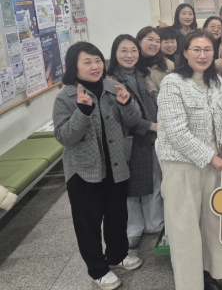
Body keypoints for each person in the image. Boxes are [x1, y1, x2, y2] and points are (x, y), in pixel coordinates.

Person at [53, 42, 143, 290]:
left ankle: (117, 255)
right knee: (88, 223)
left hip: (115, 164)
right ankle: (98, 270)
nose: (95, 67)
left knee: (117, 215)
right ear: (74, 67)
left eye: (98, 61)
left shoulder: (113, 88)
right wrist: (82, 112)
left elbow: (134, 121)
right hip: (83, 171)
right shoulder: (66, 97)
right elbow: (64, 137)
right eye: (87, 62)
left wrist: (127, 104)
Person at [156, 29, 222, 290]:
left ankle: (210, 274)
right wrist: (210, 156)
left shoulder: (216, 81)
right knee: (185, 227)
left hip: (213, 163)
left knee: (213, 221)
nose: (202, 55)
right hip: (182, 164)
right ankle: (191, 284)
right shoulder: (173, 83)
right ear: (185, 53)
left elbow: (221, 119)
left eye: (207, 49)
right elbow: (176, 132)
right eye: (196, 50)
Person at [107, 35, 164, 250]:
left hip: (152, 137)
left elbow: (156, 100)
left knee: (154, 181)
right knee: (131, 188)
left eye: (133, 50)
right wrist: (149, 126)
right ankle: (133, 228)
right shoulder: (110, 80)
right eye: (123, 51)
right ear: (115, 54)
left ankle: (154, 223)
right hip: (128, 139)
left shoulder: (144, 73)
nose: (129, 55)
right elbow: (118, 115)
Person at [203, 16, 222, 84]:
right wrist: (214, 64)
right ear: (205, 28)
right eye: (212, 26)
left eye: (219, 27)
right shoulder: (199, 46)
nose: (216, 29)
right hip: (204, 84)